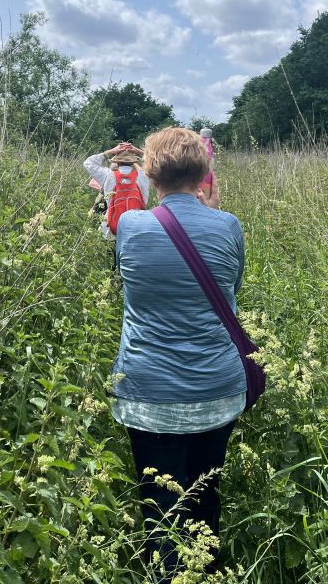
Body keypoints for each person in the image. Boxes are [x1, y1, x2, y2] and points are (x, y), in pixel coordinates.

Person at [110, 127, 246, 580]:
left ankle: (167, 573)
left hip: (149, 394)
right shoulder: (229, 225)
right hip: (218, 390)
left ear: (149, 173)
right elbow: (231, 295)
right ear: (205, 172)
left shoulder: (131, 225)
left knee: (161, 511)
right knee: (206, 495)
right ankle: (205, 570)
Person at [84, 142, 151, 238]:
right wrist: (139, 152)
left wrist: (111, 151)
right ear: (133, 162)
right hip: (136, 232)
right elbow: (160, 164)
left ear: (117, 162)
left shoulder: (108, 175)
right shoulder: (143, 176)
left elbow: (88, 163)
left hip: (110, 231)